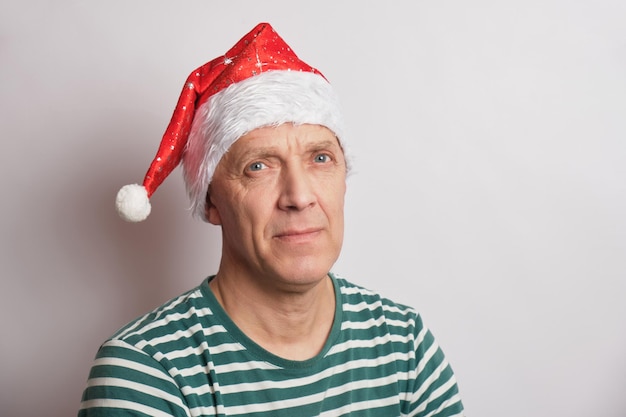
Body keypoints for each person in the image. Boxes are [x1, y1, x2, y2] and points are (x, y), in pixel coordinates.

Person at [78, 22, 465, 417]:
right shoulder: (146, 372)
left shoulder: (404, 344)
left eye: (320, 158)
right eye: (258, 166)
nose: (299, 197)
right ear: (211, 202)